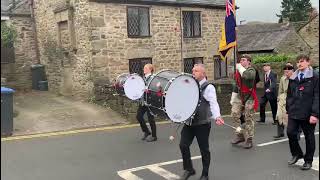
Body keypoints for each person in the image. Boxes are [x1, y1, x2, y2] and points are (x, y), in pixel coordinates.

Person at [179, 64, 224, 180]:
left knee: (204, 149)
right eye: (193, 70)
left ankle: (205, 174)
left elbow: (213, 103)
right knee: (183, 145)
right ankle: (189, 169)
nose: (193, 72)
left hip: (202, 124)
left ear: (203, 73)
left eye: (196, 71)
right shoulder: (190, 84)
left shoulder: (208, 87)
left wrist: (217, 116)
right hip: (189, 122)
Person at [286, 54, 318, 170]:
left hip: (308, 113)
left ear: (308, 62)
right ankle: (297, 153)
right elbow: (289, 95)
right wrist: (288, 109)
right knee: (290, 132)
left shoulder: (314, 77)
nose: (299, 64)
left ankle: (308, 160)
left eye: (302, 61)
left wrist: (315, 114)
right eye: (298, 62)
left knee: (309, 137)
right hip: (294, 111)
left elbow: (317, 96)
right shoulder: (293, 77)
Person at [230, 54, 259, 149]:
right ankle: (240, 135)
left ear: (249, 62)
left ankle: (249, 138)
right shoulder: (239, 71)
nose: (241, 62)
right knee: (234, 114)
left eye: (244, 60)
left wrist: (240, 68)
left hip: (250, 96)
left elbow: (247, 76)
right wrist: (233, 97)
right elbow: (236, 84)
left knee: (248, 117)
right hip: (240, 95)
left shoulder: (251, 70)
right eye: (241, 60)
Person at [136, 64, 157, 142]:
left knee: (151, 119)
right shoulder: (143, 78)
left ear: (150, 69)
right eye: (144, 67)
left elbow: (156, 89)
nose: (143, 69)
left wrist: (149, 91)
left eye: (145, 68)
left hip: (150, 101)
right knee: (138, 116)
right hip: (143, 101)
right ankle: (147, 131)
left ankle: (154, 136)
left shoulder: (153, 78)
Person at [273, 64, 294, 139]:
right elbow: (280, 90)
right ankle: (280, 133)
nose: (286, 72)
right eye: (285, 71)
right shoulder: (282, 78)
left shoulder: (295, 78)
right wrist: (279, 98)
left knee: (289, 117)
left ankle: (294, 133)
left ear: (292, 71)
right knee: (279, 115)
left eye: (288, 71)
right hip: (283, 98)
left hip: (292, 98)